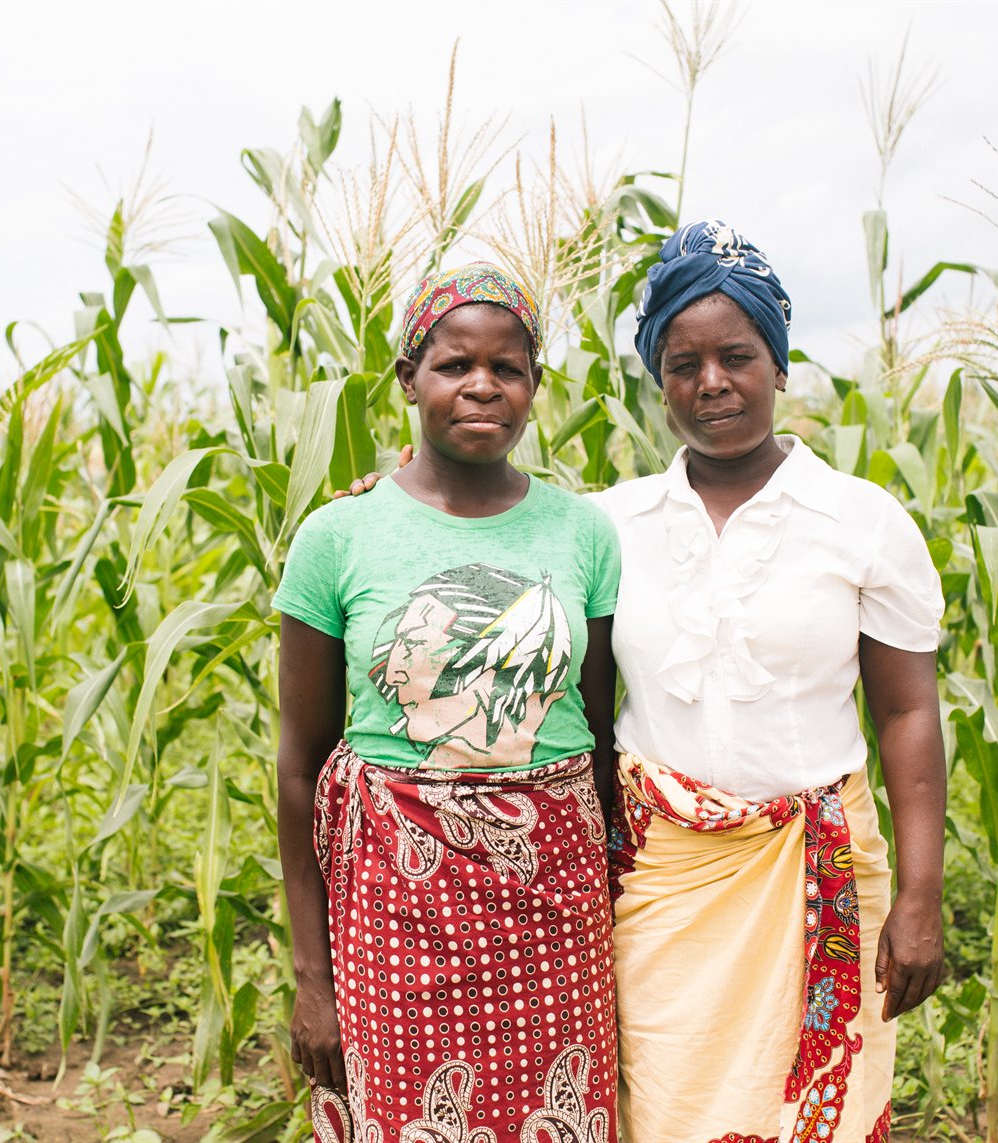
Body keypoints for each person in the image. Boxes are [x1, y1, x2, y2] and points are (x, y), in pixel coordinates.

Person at [340, 221, 948, 1143]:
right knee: (662, 1101)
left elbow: (906, 712)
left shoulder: (861, 521)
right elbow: (493, 553)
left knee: (818, 1113)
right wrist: (381, 505)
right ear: (656, 380)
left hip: (818, 875)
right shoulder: (606, 527)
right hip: (660, 879)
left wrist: (919, 896)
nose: (712, 382)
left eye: (737, 356)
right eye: (682, 362)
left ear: (779, 365)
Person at [273, 263, 623, 1143]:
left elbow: (602, 735)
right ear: (408, 379)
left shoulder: (581, 531)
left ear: (535, 388)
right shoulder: (336, 537)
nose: (482, 386)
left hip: (556, 907)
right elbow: (298, 763)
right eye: (453, 364)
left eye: (508, 369)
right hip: (396, 906)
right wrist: (313, 977)